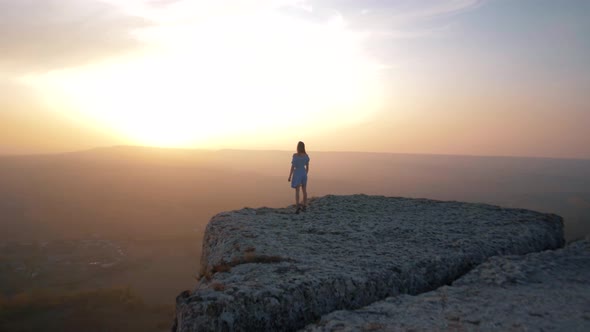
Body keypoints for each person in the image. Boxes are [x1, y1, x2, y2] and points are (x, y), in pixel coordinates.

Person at [288, 141, 310, 214]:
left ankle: (297, 207)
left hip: (297, 173)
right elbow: (307, 167)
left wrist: (290, 176)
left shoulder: (295, 156)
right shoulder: (306, 156)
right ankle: (304, 206)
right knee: (304, 190)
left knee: (297, 191)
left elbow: (292, 166)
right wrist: (305, 174)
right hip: (303, 172)